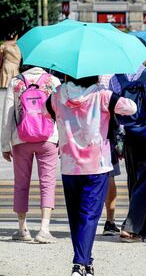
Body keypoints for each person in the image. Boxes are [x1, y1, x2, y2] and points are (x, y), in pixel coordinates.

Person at [48, 75, 136, 276]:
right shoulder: (102, 95)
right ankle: (79, 263)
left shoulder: (58, 94)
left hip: (70, 166)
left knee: (75, 216)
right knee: (89, 216)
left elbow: (47, 111)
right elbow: (131, 108)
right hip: (97, 165)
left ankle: (86, 262)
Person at [1, 65, 61, 243]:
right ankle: (44, 229)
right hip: (48, 138)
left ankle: (22, 229)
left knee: (21, 183)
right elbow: (60, 113)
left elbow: (7, 115)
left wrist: (5, 144)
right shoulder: (53, 81)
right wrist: (62, 140)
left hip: (21, 138)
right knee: (48, 183)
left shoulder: (16, 82)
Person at [109, 64, 146, 242]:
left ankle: (141, 225)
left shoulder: (116, 78)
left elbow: (112, 106)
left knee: (134, 179)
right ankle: (131, 227)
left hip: (128, 134)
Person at [98, 74, 121, 236]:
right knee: (109, 176)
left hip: (79, 138)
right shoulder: (115, 75)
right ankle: (109, 221)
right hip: (106, 135)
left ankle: (83, 219)